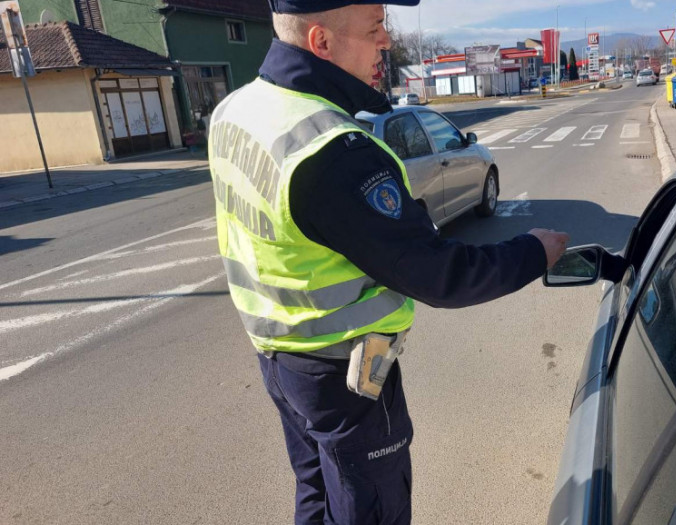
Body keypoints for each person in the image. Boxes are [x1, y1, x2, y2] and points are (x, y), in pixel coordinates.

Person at [207, 1, 570, 523]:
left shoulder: (237, 109)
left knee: (317, 494)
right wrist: (535, 251)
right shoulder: (333, 151)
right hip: (343, 380)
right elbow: (442, 275)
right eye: (375, 28)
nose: (387, 43)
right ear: (321, 42)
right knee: (368, 509)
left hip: (280, 361)